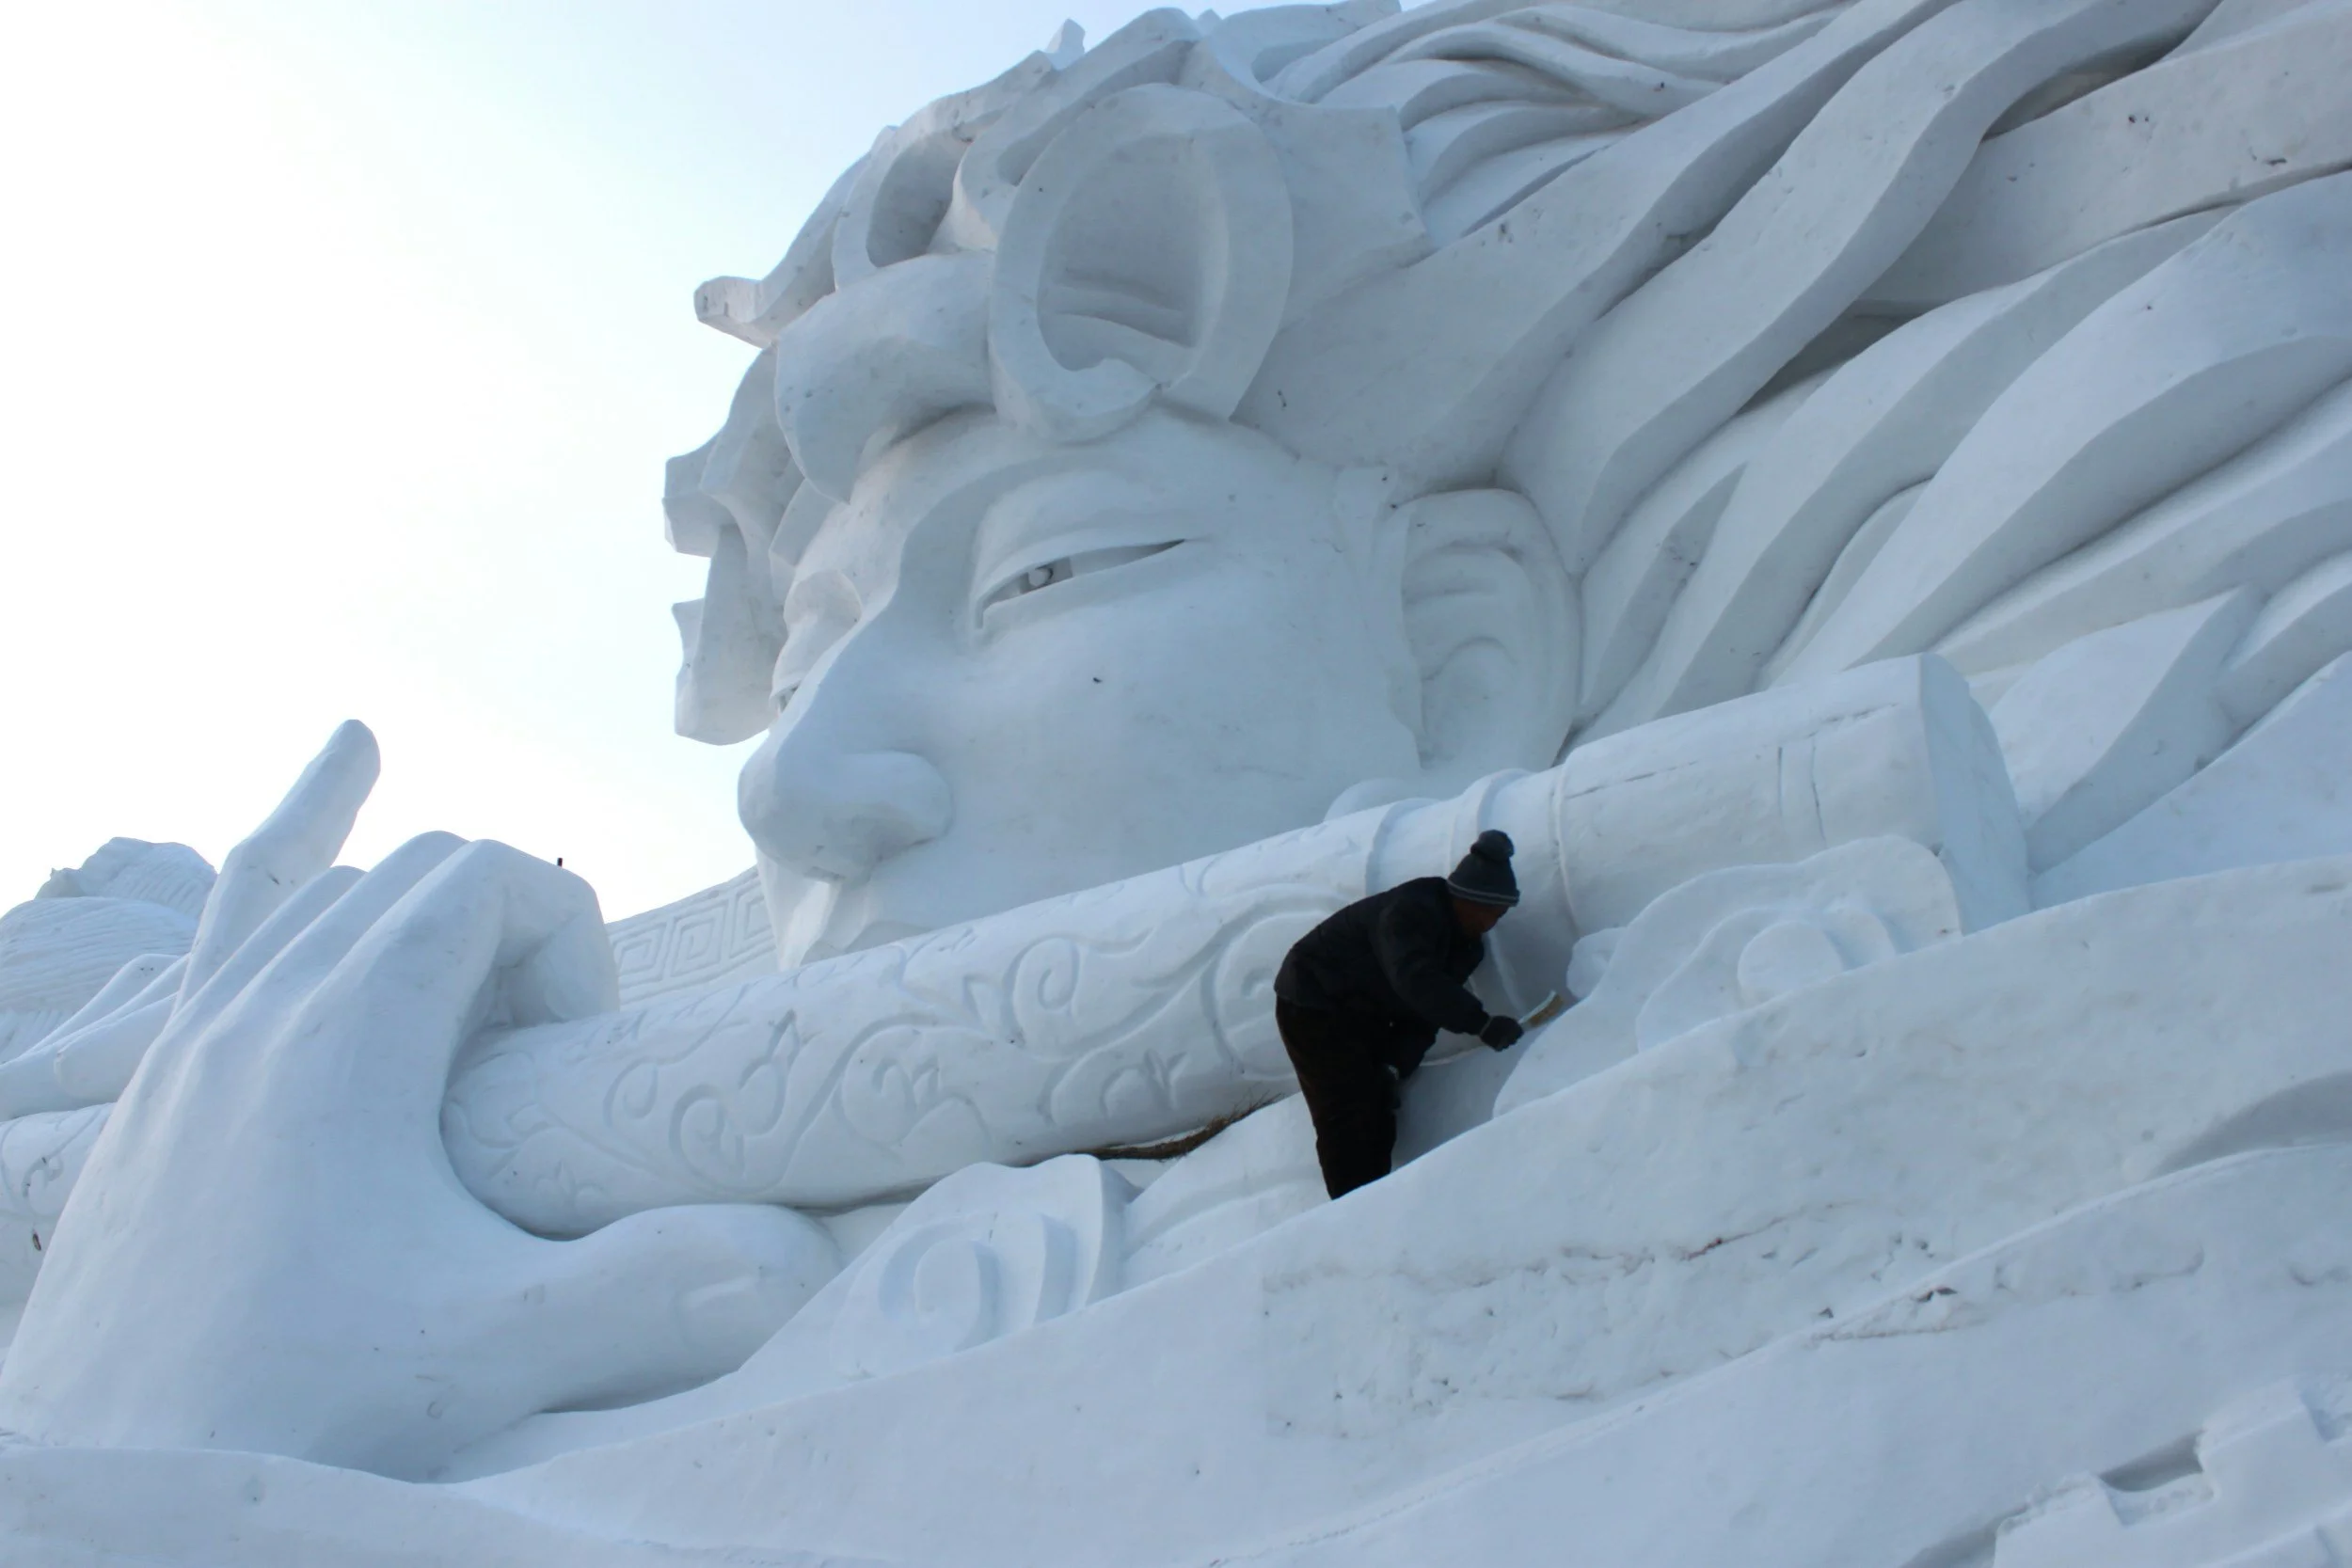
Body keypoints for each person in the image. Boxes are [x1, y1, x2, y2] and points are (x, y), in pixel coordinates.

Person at [1274, 830, 1526, 1199]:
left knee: (1378, 1103)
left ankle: (1374, 1200)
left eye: (1501, 914)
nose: (1494, 922)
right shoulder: (1412, 910)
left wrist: (1396, 1063)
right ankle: (1350, 1210)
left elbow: (1422, 1015)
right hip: (1313, 1001)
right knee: (1345, 1109)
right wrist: (1481, 1024)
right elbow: (1415, 980)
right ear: (1469, 897)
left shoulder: (1467, 949)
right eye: (1492, 911)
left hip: (1363, 1014)